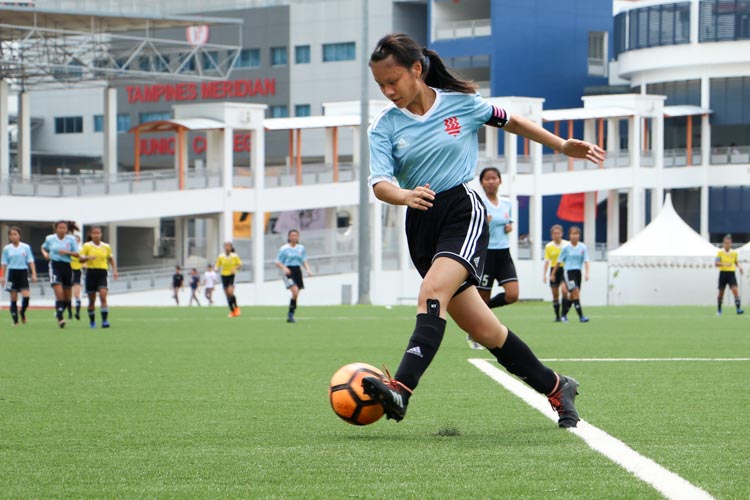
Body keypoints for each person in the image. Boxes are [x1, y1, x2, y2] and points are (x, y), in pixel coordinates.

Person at [362, 33, 605, 428]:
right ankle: (558, 386)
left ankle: (401, 390)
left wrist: (561, 145)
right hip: (420, 222)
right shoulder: (384, 127)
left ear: (416, 70)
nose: (388, 92)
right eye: (380, 86)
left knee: (431, 292)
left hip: (462, 210)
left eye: (393, 81)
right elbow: (379, 184)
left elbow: (513, 121)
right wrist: (404, 196)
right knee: (484, 329)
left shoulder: (461, 105)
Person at [467, 167, 518, 349]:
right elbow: (471, 226)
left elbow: (508, 222)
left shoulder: (507, 203)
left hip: (504, 253)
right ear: (481, 182)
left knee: (513, 294)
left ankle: (485, 312)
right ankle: (474, 334)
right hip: (486, 254)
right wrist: (483, 222)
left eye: (494, 178)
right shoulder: (479, 202)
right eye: (487, 179)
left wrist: (509, 228)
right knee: (482, 298)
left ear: (500, 181)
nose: (491, 181)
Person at [41, 220, 80, 328]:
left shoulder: (71, 240)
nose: (62, 230)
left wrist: (66, 252)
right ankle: (60, 319)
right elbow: (43, 247)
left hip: (67, 267)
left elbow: (77, 254)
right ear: (56, 229)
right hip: (54, 266)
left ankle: (60, 311)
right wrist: (45, 254)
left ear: (67, 229)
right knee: (59, 294)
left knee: (67, 298)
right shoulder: (50, 238)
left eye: (64, 228)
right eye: (60, 228)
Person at [79, 226, 118, 328]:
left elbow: (110, 259)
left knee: (103, 296)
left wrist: (114, 270)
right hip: (91, 273)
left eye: (98, 233)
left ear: (101, 234)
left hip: (102, 273)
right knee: (91, 300)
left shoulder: (106, 246)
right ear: (91, 234)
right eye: (94, 233)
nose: (96, 235)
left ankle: (104, 321)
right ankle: (92, 322)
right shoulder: (87, 246)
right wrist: (88, 258)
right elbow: (80, 259)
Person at [552, 226, 590, 323]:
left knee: (573, 296)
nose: (575, 236)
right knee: (575, 291)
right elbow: (559, 261)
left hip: (578, 272)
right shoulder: (566, 248)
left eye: (577, 234)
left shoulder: (583, 247)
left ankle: (564, 315)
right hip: (568, 272)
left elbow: (586, 260)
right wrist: (553, 274)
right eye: (573, 234)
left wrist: (587, 273)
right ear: (569, 235)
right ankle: (581, 316)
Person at [1, 226, 37, 326]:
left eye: (15, 234)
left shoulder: (25, 247)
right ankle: (15, 320)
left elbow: (31, 261)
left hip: (23, 273)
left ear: (19, 235)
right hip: (12, 273)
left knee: (26, 296)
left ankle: (22, 312)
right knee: (13, 298)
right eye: (11, 235)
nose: (13, 236)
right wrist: (2, 276)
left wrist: (34, 274)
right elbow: (3, 264)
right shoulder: (7, 249)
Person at [275, 229, 313, 323]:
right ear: (289, 237)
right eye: (292, 235)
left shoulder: (301, 248)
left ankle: (291, 314)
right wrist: (284, 268)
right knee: (295, 292)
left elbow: (303, 260)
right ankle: (290, 314)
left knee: (296, 295)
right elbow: (277, 261)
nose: (294, 237)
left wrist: (308, 269)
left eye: (296, 235)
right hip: (289, 272)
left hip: (297, 271)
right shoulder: (284, 248)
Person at [543, 224, 569, 322]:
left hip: (564, 269)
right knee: (555, 294)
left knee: (565, 291)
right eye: (554, 233)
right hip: (554, 270)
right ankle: (557, 316)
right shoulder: (549, 246)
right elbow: (547, 261)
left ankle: (564, 315)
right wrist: (545, 274)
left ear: (562, 234)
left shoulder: (566, 245)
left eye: (558, 233)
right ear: (551, 235)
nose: (556, 235)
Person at [715, 234, 744, 315]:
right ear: (723, 243)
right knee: (721, 292)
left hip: (731, 273)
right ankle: (719, 309)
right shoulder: (720, 253)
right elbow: (716, 263)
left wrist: (740, 267)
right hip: (723, 273)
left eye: (729, 243)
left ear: (731, 243)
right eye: (726, 243)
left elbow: (736, 262)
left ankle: (738, 309)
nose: (727, 244)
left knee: (735, 290)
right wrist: (724, 264)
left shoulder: (734, 253)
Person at [216, 242, 241, 317]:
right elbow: (217, 264)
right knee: (227, 295)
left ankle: (236, 307)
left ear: (231, 248)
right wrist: (216, 268)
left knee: (230, 292)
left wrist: (235, 268)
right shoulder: (221, 256)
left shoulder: (234, 256)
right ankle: (232, 311)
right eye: (225, 246)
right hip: (224, 276)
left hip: (231, 275)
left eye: (228, 246)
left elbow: (239, 264)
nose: (227, 247)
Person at [69, 231, 83, 320]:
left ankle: (77, 312)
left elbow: (84, 261)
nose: (75, 242)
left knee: (77, 294)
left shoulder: (81, 251)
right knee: (68, 294)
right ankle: (69, 313)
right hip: (68, 272)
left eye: (77, 240)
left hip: (77, 272)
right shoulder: (69, 251)